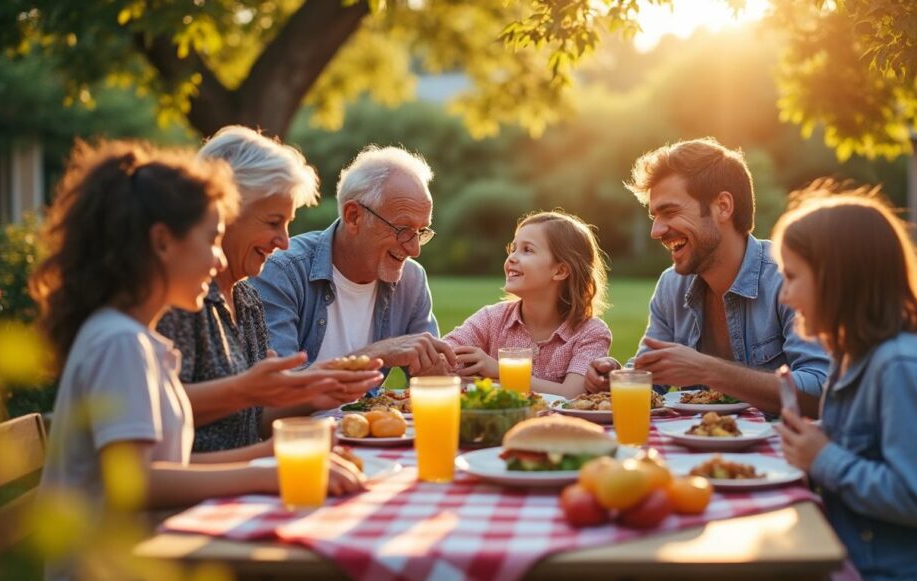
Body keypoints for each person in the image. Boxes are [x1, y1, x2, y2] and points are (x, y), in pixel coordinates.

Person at [31, 141, 364, 581]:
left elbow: (162, 465)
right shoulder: (121, 344)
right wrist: (266, 472)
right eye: (211, 239)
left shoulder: (137, 340)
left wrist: (271, 458)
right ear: (162, 243)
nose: (220, 257)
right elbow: (136, 482)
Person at [773, 186, 917, 581]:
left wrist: (824, 458)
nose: (784, 295)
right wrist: (810, 437)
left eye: (792, 277)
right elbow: (871, 444)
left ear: (839, 280)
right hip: (866, 558)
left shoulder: (901, 368)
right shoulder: (855, 356)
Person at [157, 126, 383, 452]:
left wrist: (313, 396)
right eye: (274, 222)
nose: (285, 241)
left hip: (243, 485)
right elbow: (155, 409)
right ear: (225, 210)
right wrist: (246, 390)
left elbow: (254, 418)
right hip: (198, 490)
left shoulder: (246, 298)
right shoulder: (176, 298)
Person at [584, 138, 829, 414]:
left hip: (782, 452)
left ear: (723, 206)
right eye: (655, 216)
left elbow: (821, 391)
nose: (656, 231)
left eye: (670, 211)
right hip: (696, 449)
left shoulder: (787, 279)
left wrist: (708, 370)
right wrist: (615, 379)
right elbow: (650, 378)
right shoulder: (671, 286)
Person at [251, 145, 456, 376]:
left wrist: (443, 371)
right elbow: (276, 388)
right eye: (402, 229)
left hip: (369, 414)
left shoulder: (412, 279)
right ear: (353, 216)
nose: (414, 249)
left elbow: (433, 384)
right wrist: (371, 356)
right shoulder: (282, 272)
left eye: (421, 231)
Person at [444, 211, 612, 398]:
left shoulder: (591, 333)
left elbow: (571, 394)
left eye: (527, 250)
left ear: (560, 270)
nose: (512, 258)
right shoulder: (491, 319)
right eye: (513, 249)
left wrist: (500, 371)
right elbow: (441, 358)